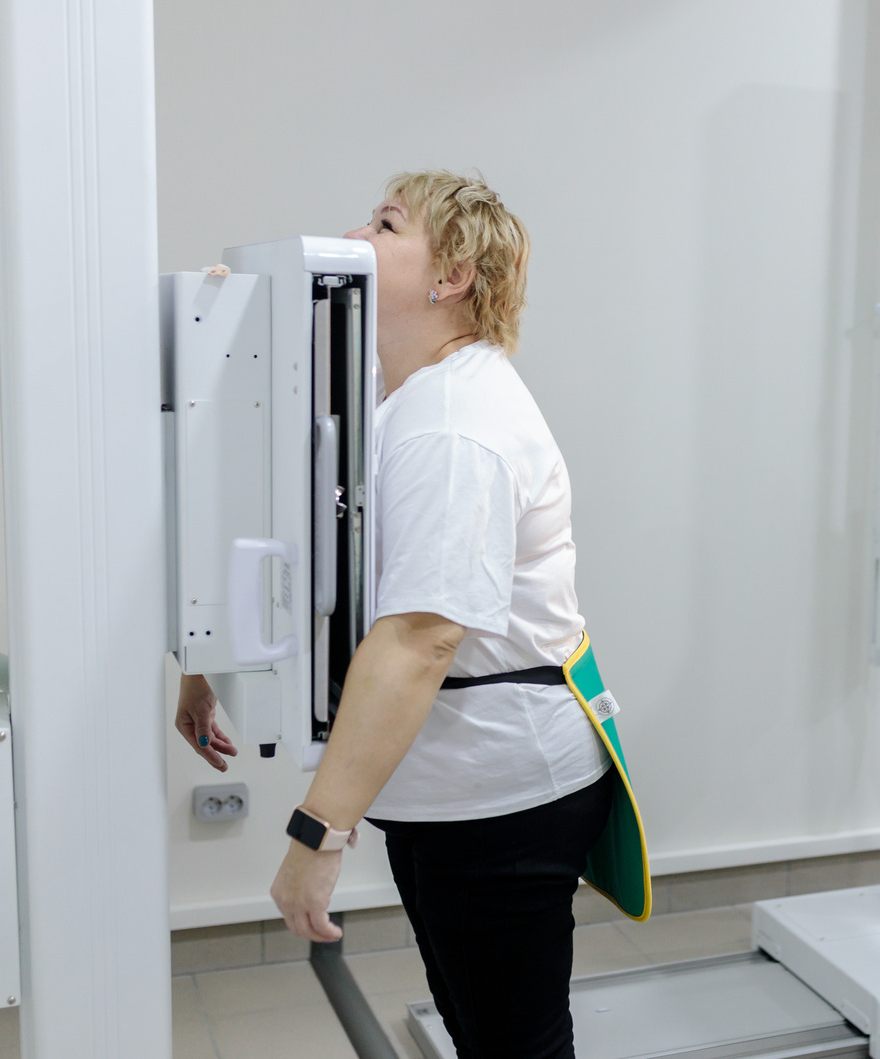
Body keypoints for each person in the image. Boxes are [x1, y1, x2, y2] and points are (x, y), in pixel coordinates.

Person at [175, 170, 614, 1059]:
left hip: (500, 790)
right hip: (443, 783)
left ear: (450, 274)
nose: (355, 235)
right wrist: (224, 332)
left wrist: (316, 834)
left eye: (385, 224)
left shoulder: (452, 422)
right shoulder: (398, 395)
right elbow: (284, 501)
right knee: (476, 1025)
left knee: (513, 1044)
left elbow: (419, 639)